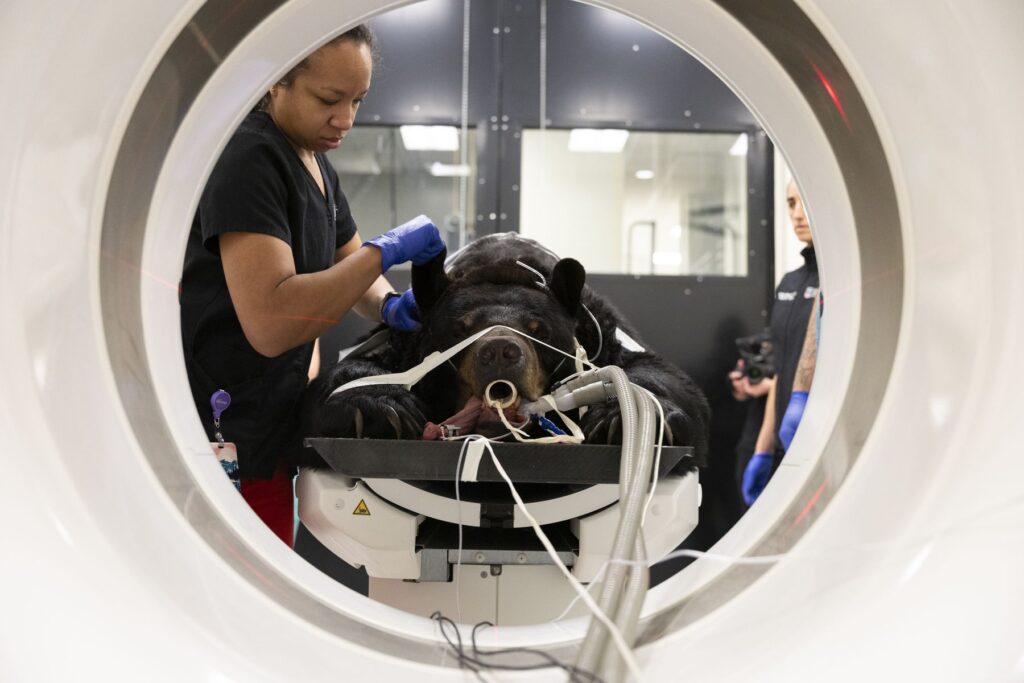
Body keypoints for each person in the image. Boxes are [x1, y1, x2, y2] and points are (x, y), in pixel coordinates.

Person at [179, 24, 444, 546]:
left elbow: (354, 273)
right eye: (329, 99)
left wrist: (391, 306)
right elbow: (274, 323)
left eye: (358, 100)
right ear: (278, 81)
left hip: (275, 426)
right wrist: (385, 249)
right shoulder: (248, 158)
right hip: (230, 436)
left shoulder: (315, 163)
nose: (345, 119)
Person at [740, 180, 820, 506]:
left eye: (806, 202)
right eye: (790, 204)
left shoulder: (839, 281)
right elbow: (780, 370)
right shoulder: (790, 282)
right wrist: (763, 446)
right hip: (785, 441)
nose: (797, 215)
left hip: (820, 438)